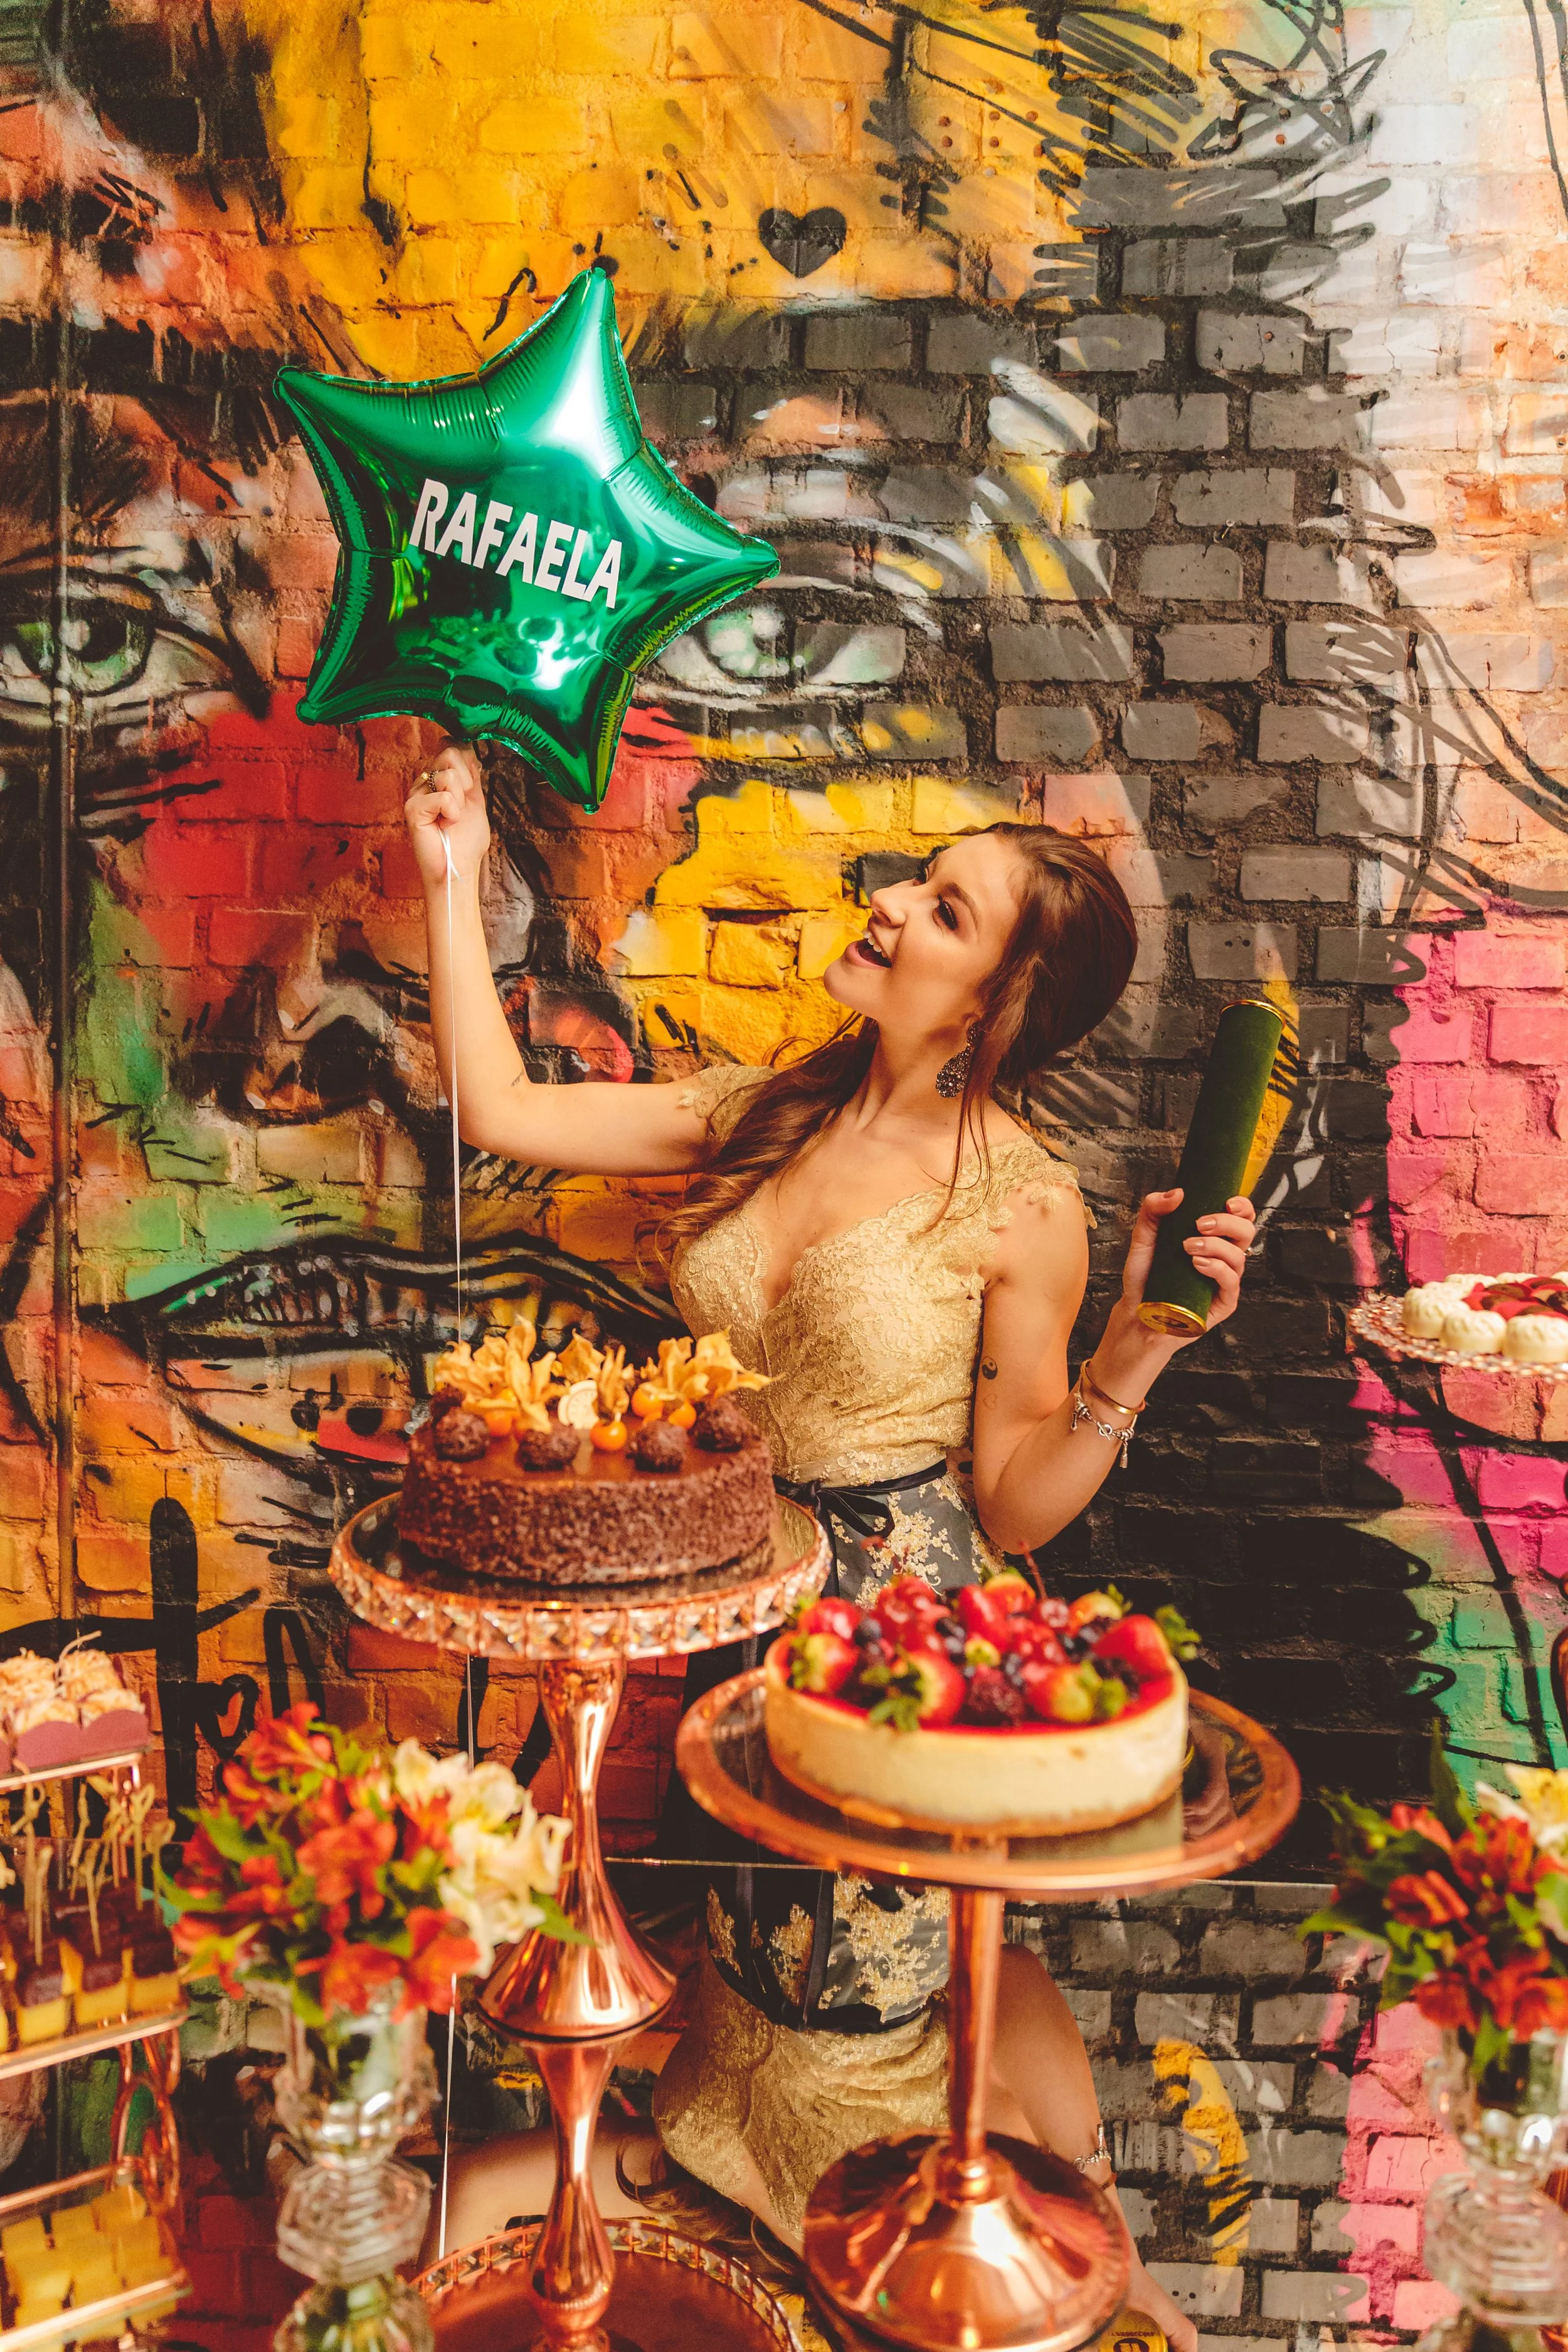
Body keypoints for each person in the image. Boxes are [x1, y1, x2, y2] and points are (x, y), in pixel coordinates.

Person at [405, 742, 1256, 2352]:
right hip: (739, 1625)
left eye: (938, 910)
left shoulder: (1024, 1202)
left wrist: (1139, 1354)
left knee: (845, 2008)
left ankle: (904, 2258)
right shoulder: (766, 1104)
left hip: (902, 1657)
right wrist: (452, 875)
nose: (882, 907)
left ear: (996, 1004)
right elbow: (497, 1103)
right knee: (748, 1976)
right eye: (912, 887)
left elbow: (1008, 1503)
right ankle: (775, 2255)